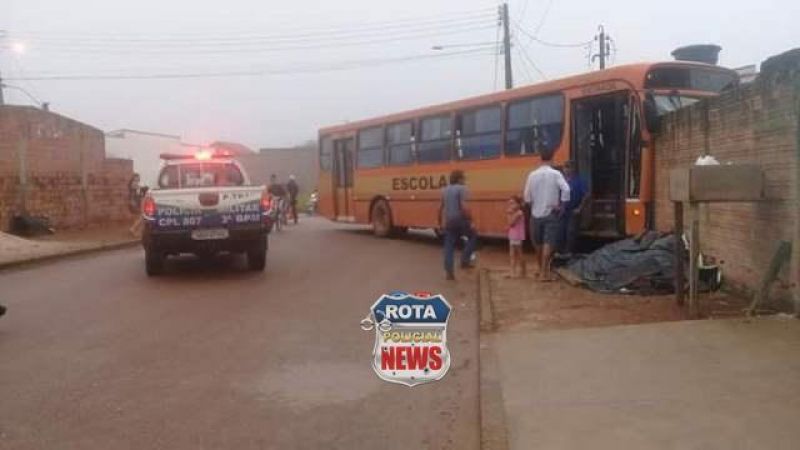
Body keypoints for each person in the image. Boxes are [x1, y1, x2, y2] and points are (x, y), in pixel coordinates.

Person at [523, 153, 570, 281]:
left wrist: (533, 205)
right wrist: (562, 206)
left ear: (540, 159)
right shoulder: (556, 174)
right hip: (551, 213)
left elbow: (527, 197)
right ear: (552, 159)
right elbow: (566, 189)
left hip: (535, 214)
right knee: (548, 243)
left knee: (538, 244)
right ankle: (544, 273)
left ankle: (540, 270)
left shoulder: (532, 175)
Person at [438, 170, 477, 280]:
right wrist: (471, 220)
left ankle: (449, 272)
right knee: (473, 236)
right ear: (459, 179)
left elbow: (440, 208)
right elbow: (464, 206)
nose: (464, 180)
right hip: (460, 220)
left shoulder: (444, 190)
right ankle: (465, 260)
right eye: (463, 178)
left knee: (449, 246)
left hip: (449, 221)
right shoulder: (462, 188)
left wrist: (439, 223)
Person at [558, 161, 589, 257]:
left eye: (568, 167)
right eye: (565, 167)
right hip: (562, 211)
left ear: (573, 169)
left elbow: (586, 195)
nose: (566, 170)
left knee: (570, 232)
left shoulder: (579, 181)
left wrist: (580, 208)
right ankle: (560, 252)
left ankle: (569, 252)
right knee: (561, 231)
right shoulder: (561, 181)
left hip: (573, 211)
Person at [506, 195, 527, 278]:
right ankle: (512, 271)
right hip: (512, 235)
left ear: (518, 204)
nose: (511, 205)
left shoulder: (519, 213)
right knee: (511, 254)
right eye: (510, 203)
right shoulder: (513, 212)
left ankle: (523, 269)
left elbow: (511, 223)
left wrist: (509, 214)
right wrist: (509, 214)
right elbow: (509, 223)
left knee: (519, 254)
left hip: (518, 236)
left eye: (513, 203)